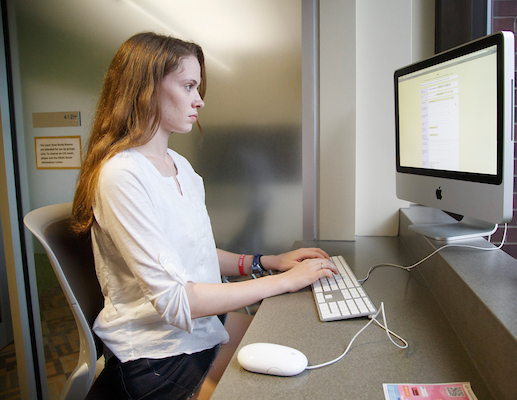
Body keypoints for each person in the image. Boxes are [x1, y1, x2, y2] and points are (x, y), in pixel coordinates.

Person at [71, 32, 337, 399]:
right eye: (189, 86)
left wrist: (268, 262)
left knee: (302, 345)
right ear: (145, 89)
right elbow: (175, 300)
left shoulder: (180, 167)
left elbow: (194, 257)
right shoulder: (122, 176)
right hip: (158, 357)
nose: (200, 100)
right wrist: (284, 282)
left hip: (199, 332)